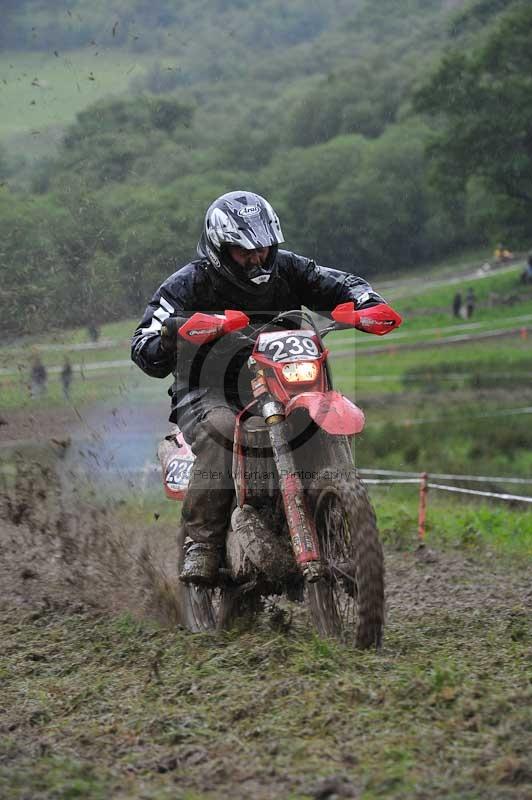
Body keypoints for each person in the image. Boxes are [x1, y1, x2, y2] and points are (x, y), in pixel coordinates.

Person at [131, 191, 400, 584]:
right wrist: (176, 335)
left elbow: (337, 283)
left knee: (321, 411)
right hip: (210, 393)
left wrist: (366, 302)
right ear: (221, 249)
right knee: (222, 431)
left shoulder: (288, 269)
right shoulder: (187, 284)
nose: (257, 257)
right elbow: (143, 343)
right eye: (244, 251)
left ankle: (332, 499)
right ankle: (202, 543)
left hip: (286, 379)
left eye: (263, 248)